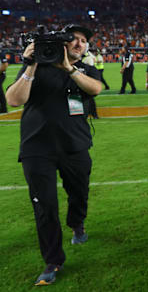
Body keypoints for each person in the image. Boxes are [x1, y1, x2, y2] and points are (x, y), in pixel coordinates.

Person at [5, 24, 103, 286]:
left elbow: (95, 89)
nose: (80, 44)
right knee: (45, 206)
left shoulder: (85, 69)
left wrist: (69, 69)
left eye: (84, 40)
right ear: (63, 43)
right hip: (37, 148)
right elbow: (14, 100)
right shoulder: (36, 67)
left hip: (75, 145)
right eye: (75, 39)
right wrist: (31, 65)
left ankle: (77, 223)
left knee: (79, 192)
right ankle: (53, 260)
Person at [82, 46, 100, 119]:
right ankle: (93, 114)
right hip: (83, 79)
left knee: (88, 99)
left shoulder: (88, 57)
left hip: (85, 79)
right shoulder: (89, 56)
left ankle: (92, 114)